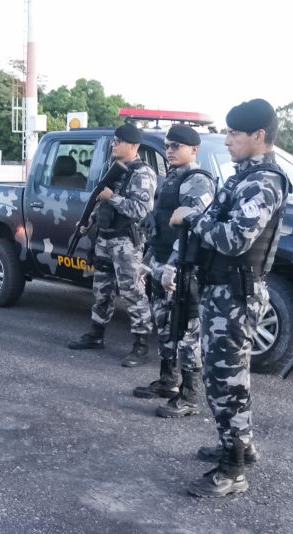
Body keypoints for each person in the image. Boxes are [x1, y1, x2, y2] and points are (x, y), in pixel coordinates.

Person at [171, 99, 289, 498]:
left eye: (235, 134)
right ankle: (240, 447)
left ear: (259, 136)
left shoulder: (263, 182)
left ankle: (233, 469)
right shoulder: (244, 177)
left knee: (226, 382)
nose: (227, 140)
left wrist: (191, 217)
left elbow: (234, 239)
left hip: (236, 297)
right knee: (229, 377)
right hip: (222, 292)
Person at [132, 124, 215, 419]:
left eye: (175, 146)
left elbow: (193, 231)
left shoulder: (198, 182)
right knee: (165, 327)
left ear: (193, 150)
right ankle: (168, 381)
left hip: (183, 269)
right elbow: (158, 226)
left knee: (186, 332)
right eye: (167, 146)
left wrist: (172, 266)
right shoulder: (170, 180)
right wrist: (147, 261)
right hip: (161, 263)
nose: (169, 151)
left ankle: (190, 395)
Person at [67, 123, 156, 366]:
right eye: (113, 141)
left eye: (118, 141)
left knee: (132, 292)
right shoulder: (114, 168)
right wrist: (89, 222)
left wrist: (112, 197)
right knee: (101, 288)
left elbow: (140, 210)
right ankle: (96, 334)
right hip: (105, 238)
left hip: (126, 242)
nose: (113, 144)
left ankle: (140, 345)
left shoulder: (142, 173)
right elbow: (100, 202)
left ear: (133, 146)